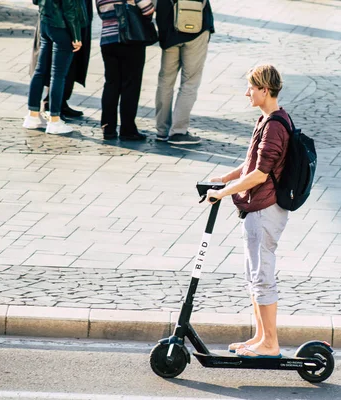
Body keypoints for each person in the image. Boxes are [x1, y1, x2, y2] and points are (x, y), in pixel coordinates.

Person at [206, 65, 290, 358]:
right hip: (257, 210)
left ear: (265, 90)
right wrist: (224, 179)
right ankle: (261, 337)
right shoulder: (266, 120)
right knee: (254, 276)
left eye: (251, 88)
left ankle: (271, 344)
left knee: (263, 275)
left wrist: (223, 193)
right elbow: (250, 164)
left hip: (265, 210)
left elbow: (260, 175)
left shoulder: (276, 126)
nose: (247, 93)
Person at [154, 0, 214, 144]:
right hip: (197, 28)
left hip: (169, 29)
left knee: (165, 81)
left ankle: (162, 130)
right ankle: (178, 131)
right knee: (190, 82)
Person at [23, 0, 87, 134]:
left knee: (40, 71)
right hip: (61, 27)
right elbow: (70, 9)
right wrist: (76, 36)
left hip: (46, 22)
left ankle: (32, 116)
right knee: (58, 75)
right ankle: (54, 119)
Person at [96, 0, 155, 141]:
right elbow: (148, 9)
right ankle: (128, 129)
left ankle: (108, 128)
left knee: (111, 84)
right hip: (130, 39)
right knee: (131, 85)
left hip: (108, 40)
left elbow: (101, 12)